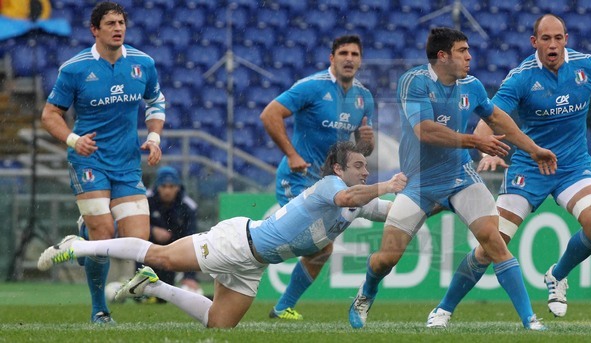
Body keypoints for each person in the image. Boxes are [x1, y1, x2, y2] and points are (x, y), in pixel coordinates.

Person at [426, 14, 591, 327]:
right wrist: (485, 145)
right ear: (534, 42)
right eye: (545, 39)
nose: (553, 44)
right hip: (528, 168)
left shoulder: (587, 66)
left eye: (558, 38)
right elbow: (491, 116)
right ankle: (443, 309)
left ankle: (557, 275)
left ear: (566, 39)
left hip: (573, 167)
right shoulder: (521, 77)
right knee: (491, 246)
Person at [38, 142, 407, 329]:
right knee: (159, 254)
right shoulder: (330, 185)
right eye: (358, 166)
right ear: (339, 168)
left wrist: (432, 201)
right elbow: (348, 196)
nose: (364, 171)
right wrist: (387, 184)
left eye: (366, 167)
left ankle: (151, 287)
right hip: (237, 242)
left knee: (219, 324)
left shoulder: (359, 202)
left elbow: (396, 211)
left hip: (254, 263)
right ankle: (78, 245)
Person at [347, 27, 558, 331]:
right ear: (442, 56)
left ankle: (530, 320)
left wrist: (534, 149)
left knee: (494, 243)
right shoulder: (414, 81)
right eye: (463, 51)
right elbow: (426, 131)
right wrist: (474, 141)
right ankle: (366, 292)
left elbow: (497, 119)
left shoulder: (471, 86)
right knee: (386, 259)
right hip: (418, 182)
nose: (470, 56)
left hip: (461, 177)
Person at [40, 1, 165, 324]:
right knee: (103, 236)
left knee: (137, 241)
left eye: (121, 22)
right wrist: (73, 140)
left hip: (126, 162)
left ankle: (81, 241)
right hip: (89, 159)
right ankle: (100, 310)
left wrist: (154, 138)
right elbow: (50, 114)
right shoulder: (75, 69)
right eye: (110, 23)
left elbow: (155, 101)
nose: (118, 28)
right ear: (94, 30)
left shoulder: (143, 63)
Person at [259, 34, 375, 320]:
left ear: (360, 61)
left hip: (330, 185)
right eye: (343, 53)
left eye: (355, 54)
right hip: (298, 180)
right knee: (310, 244)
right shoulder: (311, 87)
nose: (349, 58)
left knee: (321, 248)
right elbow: (270, 114)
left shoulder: (364, 97)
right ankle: (233, 256)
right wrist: (291, 154)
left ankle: (283, 306)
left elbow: (361, 151)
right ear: (331, 58)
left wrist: (366, 143)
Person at [139, 166, 201, 301]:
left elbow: (192, 240)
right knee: (142, 296)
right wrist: (151, 230)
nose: (167, 191)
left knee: (163, 298)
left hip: (172, 256)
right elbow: (133, 228)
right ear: (157, 186)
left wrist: (189, 277)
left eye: (171, 186)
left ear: (178, 187)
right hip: (146, 253)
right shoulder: (144, 201)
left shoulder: (188, 207)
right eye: (163, 186)